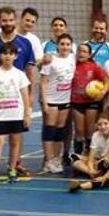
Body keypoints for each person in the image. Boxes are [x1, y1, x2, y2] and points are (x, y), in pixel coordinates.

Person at [0, 43, 31, 187]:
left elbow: (25, 94)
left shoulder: (19, 74)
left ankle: (12, 169)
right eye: (5, 53)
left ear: (15, 56)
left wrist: (27, 113)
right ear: (0, 56)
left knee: (15, 142)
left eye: (11, 53)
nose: (8, 56)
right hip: (0, 114)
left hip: (16, 114)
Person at [39, 34, 76, 174]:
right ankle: (48, 161)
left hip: (65, 100)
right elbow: (42, 82)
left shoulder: (73, 58)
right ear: (58, 45)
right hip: (52, 100)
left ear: (71, 46)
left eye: (67, 44)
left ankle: (56, 159)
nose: (65, 47)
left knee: (60, 131)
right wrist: (45, 103)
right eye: (62, 44)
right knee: (50, 130)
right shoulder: (51, 60)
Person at [70, 43, 109, 160]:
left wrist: (103, 92)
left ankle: (90, 153)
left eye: (84, 51)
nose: (81, 53)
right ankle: (77, 154)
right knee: (79, 130)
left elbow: (107, 80)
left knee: (90, 130)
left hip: (91, 102)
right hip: (76, 101)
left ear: (89, 54)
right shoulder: (72, 66)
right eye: (79, 51)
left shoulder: (94, 67)